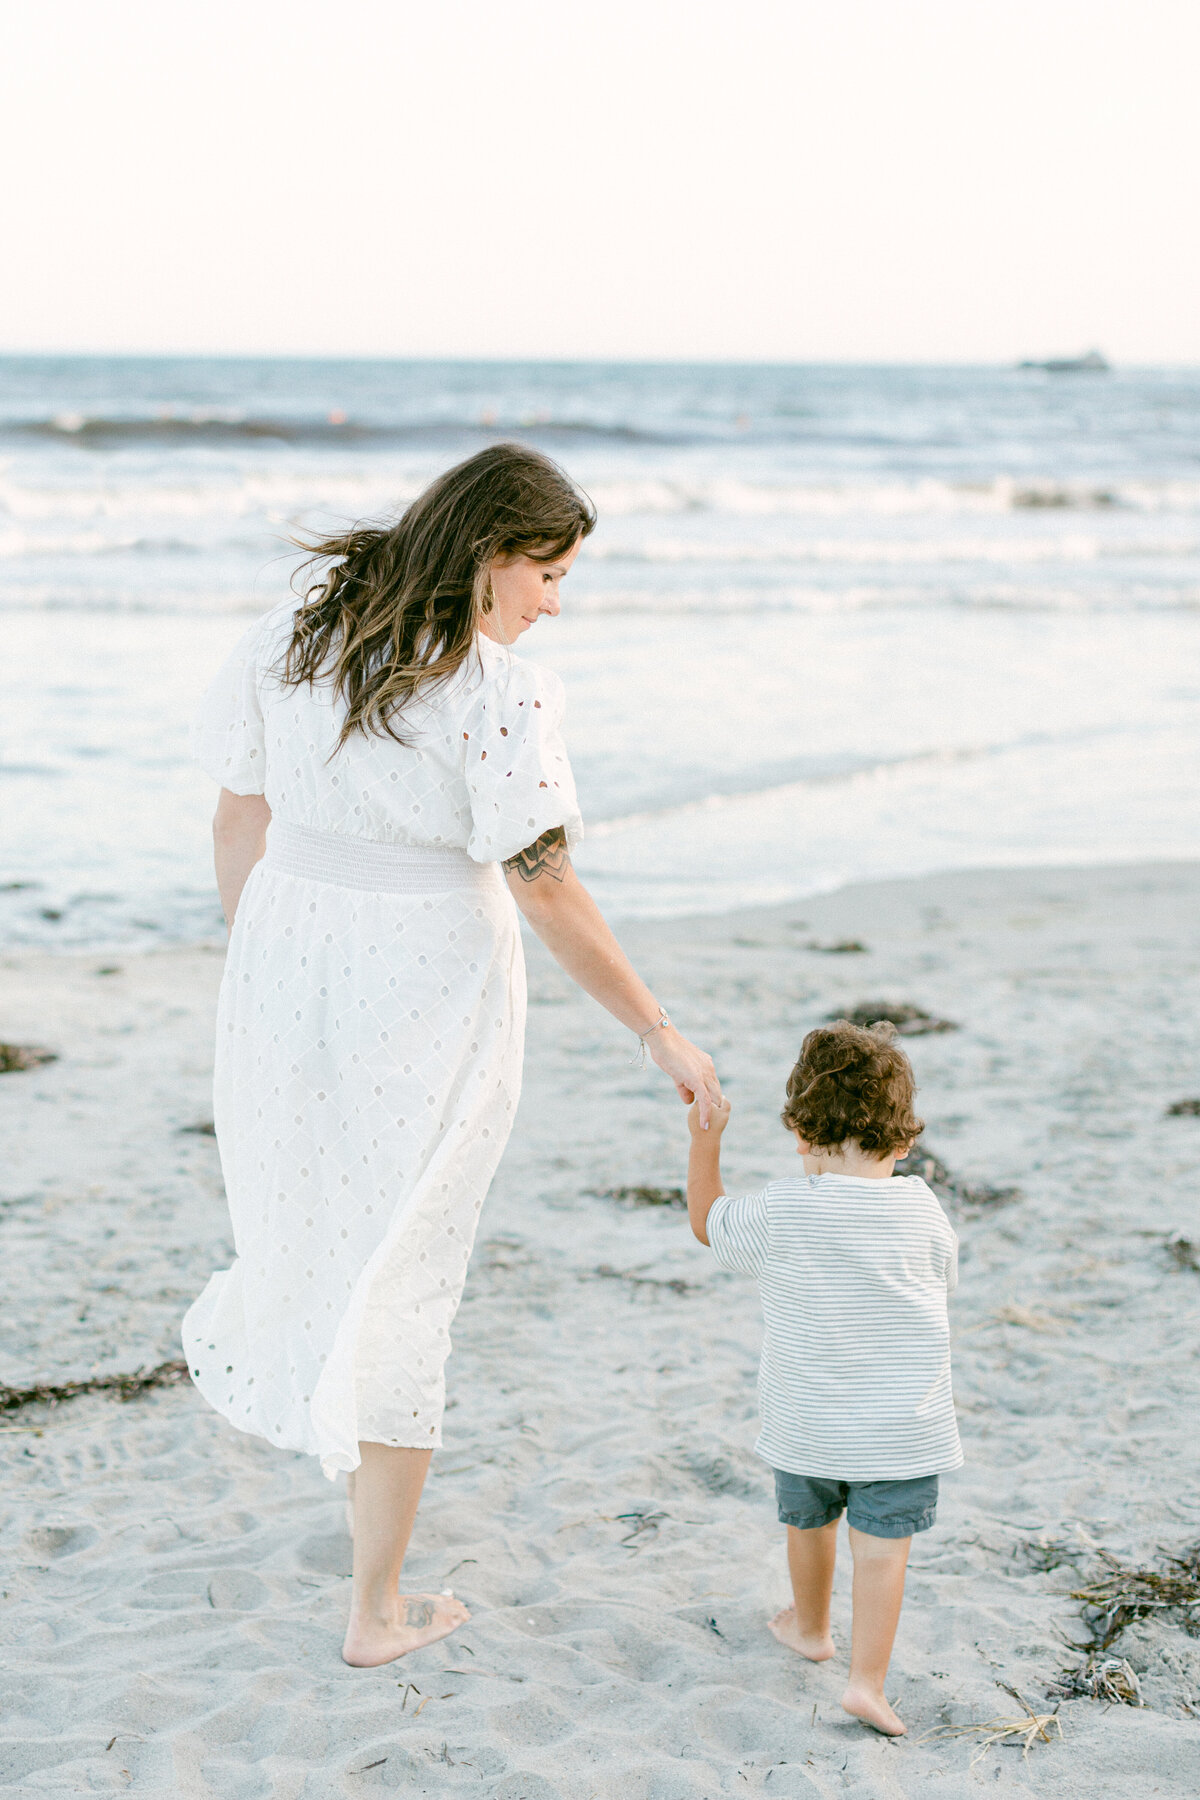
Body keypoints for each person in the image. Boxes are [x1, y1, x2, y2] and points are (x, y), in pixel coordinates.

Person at [185, 443, 721, 1669]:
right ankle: (376, 1613)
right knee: (408, 1274)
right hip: (426, 984)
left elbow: (236, 814)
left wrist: (256, 963)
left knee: (335, 1240)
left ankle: (370, 1561)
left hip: (286, 961)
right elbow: (544, 884)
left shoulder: (298, 633)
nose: (552, 602)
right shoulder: (494, 692)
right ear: (487, 550)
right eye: (546, 571)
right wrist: (657, 1028)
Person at [684, 1020, 961, 1736]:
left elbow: (709, 1224)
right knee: (882, 1553)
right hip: (902, 1427)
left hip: (807, 1418)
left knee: (808, 1521)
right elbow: (943, 1277)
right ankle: (866, 1683)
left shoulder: (781, 1209)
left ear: (800, 1134)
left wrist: (705, 1140)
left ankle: (809, 1630)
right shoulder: (922, 1206)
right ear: (904, 1142)